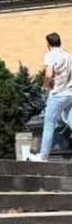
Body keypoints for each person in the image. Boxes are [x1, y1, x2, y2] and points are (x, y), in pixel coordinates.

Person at [32, 32, 72, 161]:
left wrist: (44, 86)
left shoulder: (50, 55)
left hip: (58, 94)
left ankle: (43, 157)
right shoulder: (68, 55)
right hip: (70, 93)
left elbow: (49, 74)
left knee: (49, 125)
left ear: (48, 44)